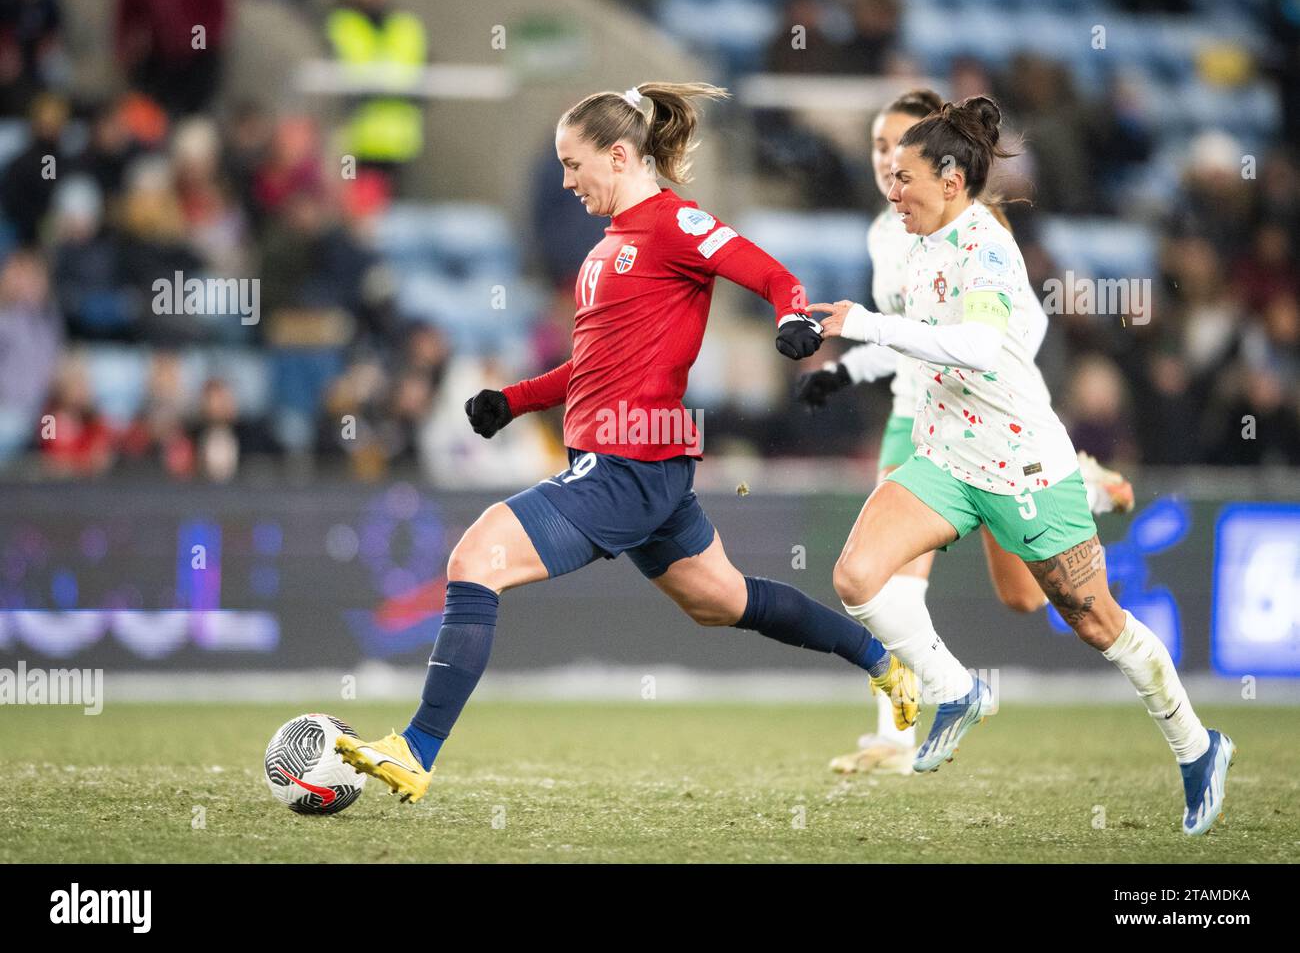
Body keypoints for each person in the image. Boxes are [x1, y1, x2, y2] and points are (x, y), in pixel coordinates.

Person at [335, 82, 915, 804]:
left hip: (629, 464)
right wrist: (512, 400)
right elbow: (591, 366)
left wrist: (794, 320)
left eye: (573, 165)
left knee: (475, 555)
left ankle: (416, 750)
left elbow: (774, 275)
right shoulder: (605, 251)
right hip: (634, 465)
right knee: (721, 600)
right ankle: (884, 663)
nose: (567, 182)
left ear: (618, 154)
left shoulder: (677, 223)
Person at [808, 96, 1233, 836]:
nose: (891, 188)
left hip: (1020, 466)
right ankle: (956, 690)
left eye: (903, 175)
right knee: (855, 576)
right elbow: (922, 340)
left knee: (1097, 622)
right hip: (944, 457)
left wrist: (865, 323)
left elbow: (976, 346)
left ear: (949, 178)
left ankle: (1198, 747)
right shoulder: (914, 243)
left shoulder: (987, 245)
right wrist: (840, 357)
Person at [798, 89, 1134, 775]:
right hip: (916, 422)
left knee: (1020, 597)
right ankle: (896, 731)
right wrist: (850, 371)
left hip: (995, 429)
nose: (885, 163)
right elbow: (911, 335)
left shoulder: (978, 231)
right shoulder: (883, 231)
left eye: (896, 149)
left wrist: (897, 347)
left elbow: (1008, 333)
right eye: (875, 149)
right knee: (886, 581)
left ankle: (1082, 487)